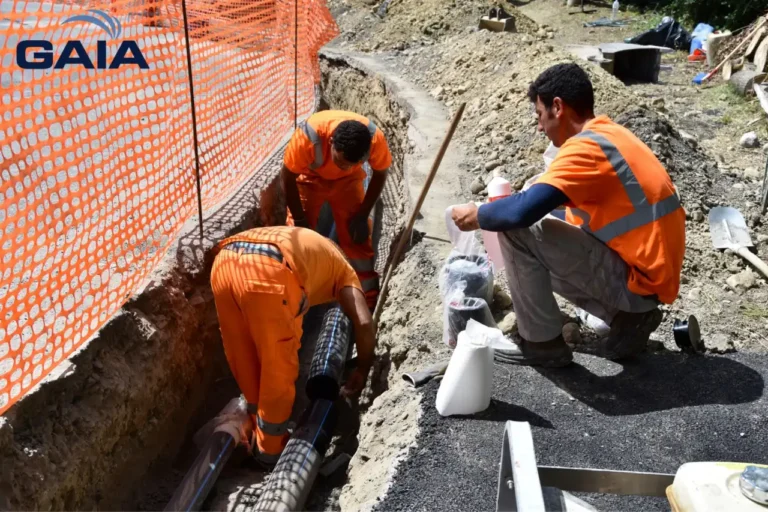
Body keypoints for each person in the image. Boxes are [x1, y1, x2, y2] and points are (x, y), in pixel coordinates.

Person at [451, 63, 685, 366]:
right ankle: (627, 318)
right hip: (648, 277)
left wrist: (478, 213)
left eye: (539, 115)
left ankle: (541, 344)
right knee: (551, 224)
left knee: (520, 232)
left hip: (638, 281)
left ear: (557, 107)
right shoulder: (610, 134)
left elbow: (519, 214)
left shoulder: (584, 149)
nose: (539, 127)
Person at [210, 226, 376, 465]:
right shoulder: (345, 272)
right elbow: (363, 321)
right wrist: (363, 368)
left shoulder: (316, 250)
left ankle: (256, 420)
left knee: (243, 353)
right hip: (269, 276)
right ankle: (270, 450)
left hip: (225, 265)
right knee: (277, 365)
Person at [282, 110, 393, 310]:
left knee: (357, 235)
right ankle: (293, 297)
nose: (343, 167)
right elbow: (287, 176)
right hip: (310, 179)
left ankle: (366, 296)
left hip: (348, 184)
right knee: (296, 240)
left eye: (351, 164)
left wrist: (362, 215)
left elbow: (380, 173)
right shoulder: (309, 136)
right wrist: (299, 220)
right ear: (331, 141)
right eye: (340, 161)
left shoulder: (374, 140)